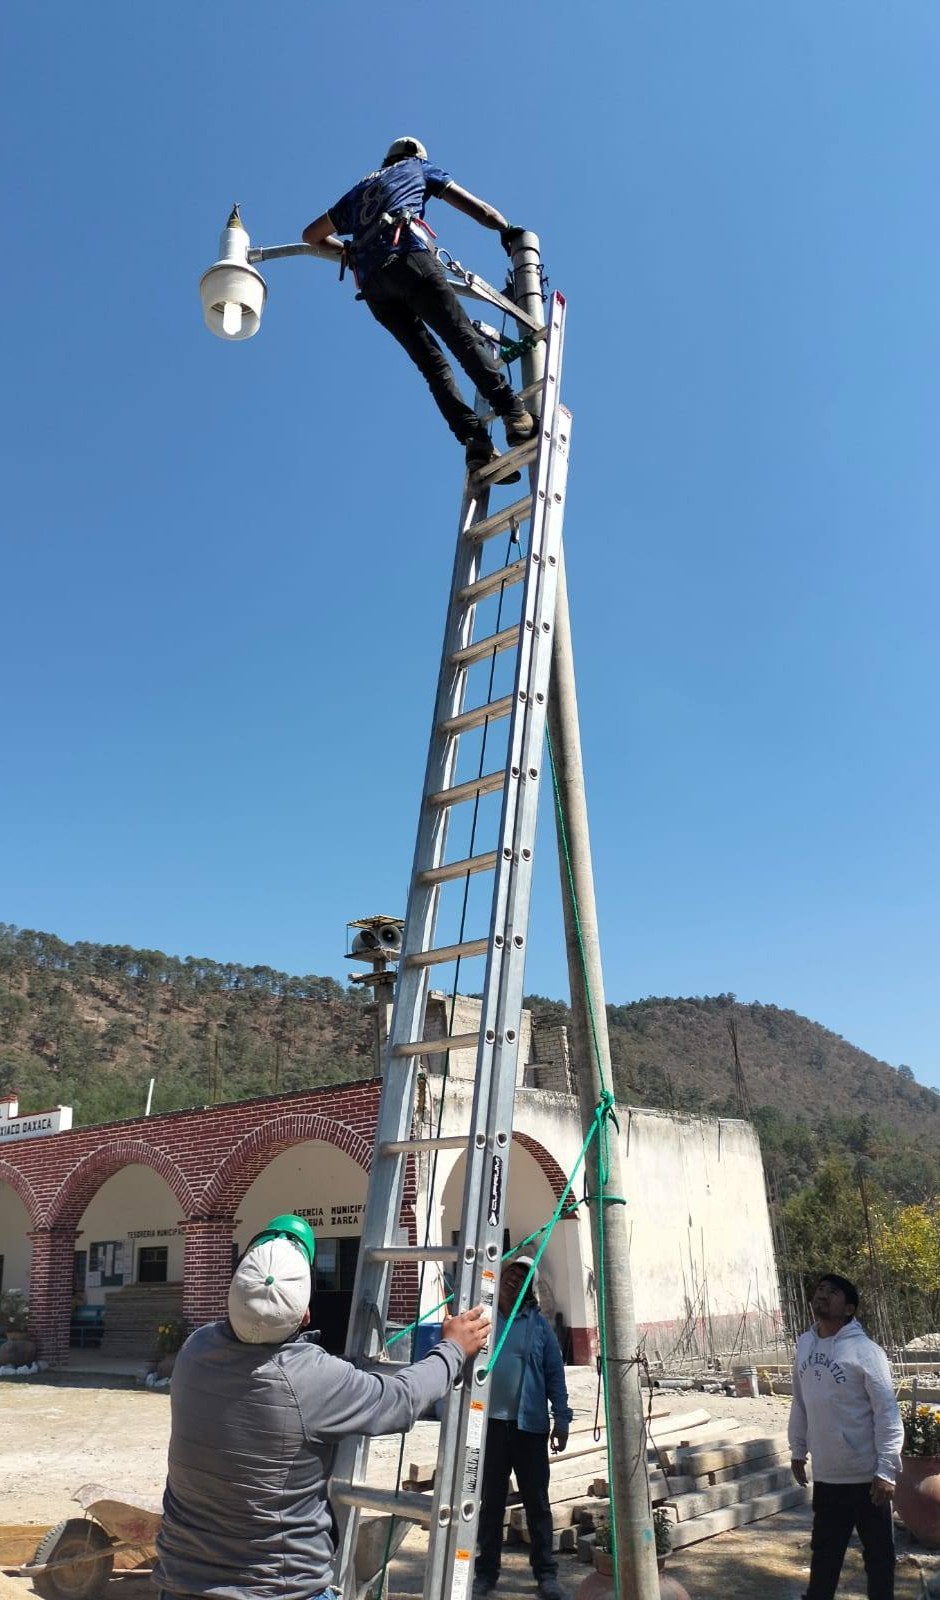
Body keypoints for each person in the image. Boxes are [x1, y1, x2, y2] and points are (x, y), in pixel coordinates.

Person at [153, 1213, 490, 1600]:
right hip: (279, 1590)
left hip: (180, 1583)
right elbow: (400, 1399)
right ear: (307, 1314)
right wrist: (452, 1349)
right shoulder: (312, 1378)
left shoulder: (194, 1352)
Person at [302, 136, 538, 476]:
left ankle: (475, 443)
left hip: (373, 286)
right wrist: (506, 228)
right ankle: (514, 414)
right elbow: (479, 209)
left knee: (432, 364)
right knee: (460, 337)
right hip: (408, 259)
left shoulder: (356, 193)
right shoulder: (418, 167)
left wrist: (349, 252)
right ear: (413, 155)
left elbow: (311, 234)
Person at [788, 1272, 904, 1600]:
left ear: (849, 1307)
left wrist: (886, 1470)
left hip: (868, 1479)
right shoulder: (805, 1344)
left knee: (879, 1560)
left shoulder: (866, 1352)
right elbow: (801, 1401)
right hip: (827, 1477)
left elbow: (887, 1414)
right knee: (824, 1557)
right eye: (820, 1289)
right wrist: (798, 1447)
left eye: (833, 1292)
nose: (822, 1295)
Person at [473, 1253, 572, 1600]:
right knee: (491, 1504)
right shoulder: (484, 1319)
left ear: (529, 1286)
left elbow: (554, 1374)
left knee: (537, 1503)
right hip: (492, 1426)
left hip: (529, 1427)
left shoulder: (537, 1325)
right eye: (512, 1272)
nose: (516, 1279)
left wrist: (562, 1418)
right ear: (500, 1276)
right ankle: (486, 1573)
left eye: (524, 1276)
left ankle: (546, 1575)